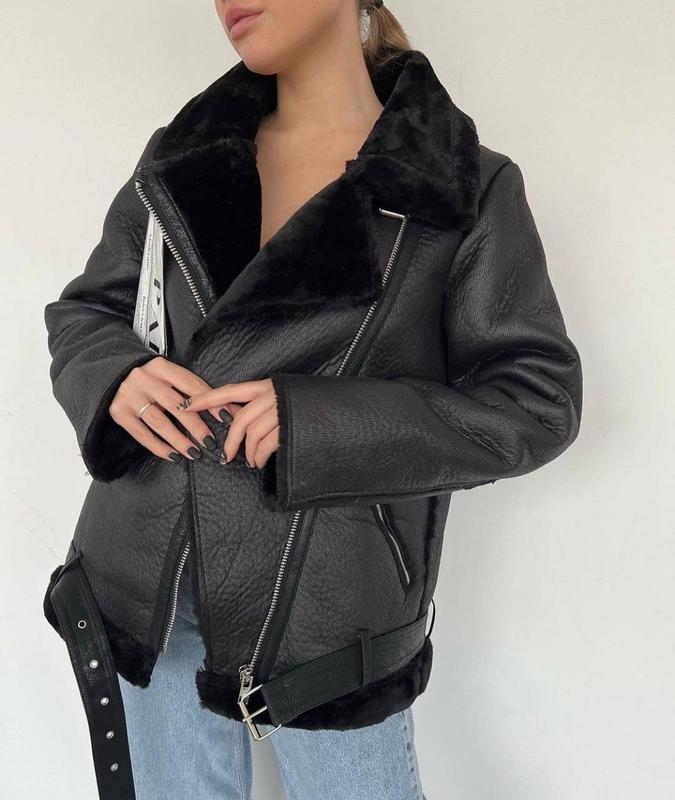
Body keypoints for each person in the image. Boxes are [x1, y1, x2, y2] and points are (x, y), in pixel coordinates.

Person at [42, 1, 583, 798]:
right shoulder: (183, 153)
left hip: (325, 613)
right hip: (144, 586)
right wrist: (114, 373)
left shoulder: (458, 184)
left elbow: (535, 400)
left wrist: (318, 426)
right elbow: (88, 311)